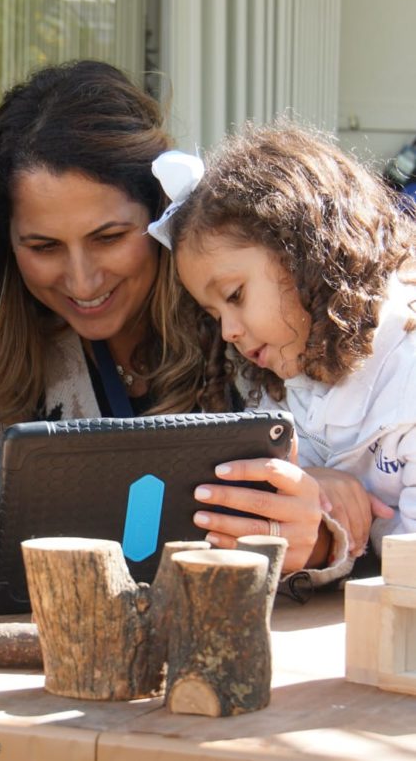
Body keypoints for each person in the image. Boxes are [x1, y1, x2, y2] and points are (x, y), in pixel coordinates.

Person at [0, 61, 349, 586]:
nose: (83, 280)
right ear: (6, 246)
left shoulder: (249, 317)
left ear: (163, 213)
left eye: (109, 237)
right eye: (43, 247)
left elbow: (353, 507)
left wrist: (321, 536)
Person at [167, 120, 413, 563]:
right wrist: (315, 486)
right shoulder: (277, 378)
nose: (229, 332)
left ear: (305, 253)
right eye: (214, 315)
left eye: (235, 295)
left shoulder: (407, 375)